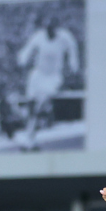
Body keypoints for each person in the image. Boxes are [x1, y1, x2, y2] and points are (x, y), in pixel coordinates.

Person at [15, 14, 79, 151]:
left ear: (56, 28)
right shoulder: (39, 36)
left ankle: (31, 137)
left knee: (40, 104)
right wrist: (23, 59)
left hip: (53, 77)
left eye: (52, 29)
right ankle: (29, 139)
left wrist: (74, 66)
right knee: (32, 106)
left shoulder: (65, 37)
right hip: (38, 75)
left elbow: (73, 50)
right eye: (47, 29)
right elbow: (28, 49)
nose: (49, 32)